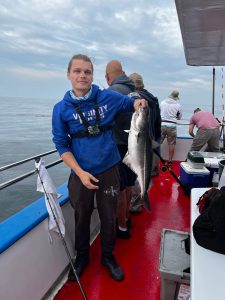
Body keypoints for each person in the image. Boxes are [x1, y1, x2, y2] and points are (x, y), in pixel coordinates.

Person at [52, 54, 148, 282]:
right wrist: (80, 172)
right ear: (68, 75)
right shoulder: (61, 109)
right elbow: (61, 144)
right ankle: (82, 256)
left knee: (108, 215)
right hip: (81, 173)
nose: (82, 75)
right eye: (77, 71)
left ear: (93, 75)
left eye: (87, 71)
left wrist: (138, 103)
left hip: (109, 169)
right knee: (81, 216)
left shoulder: (107, 97)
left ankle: (107, 256)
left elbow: (129, 103)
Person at [105, 60, 138, 239]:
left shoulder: (111, 93)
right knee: (128, 186)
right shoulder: (134, 91)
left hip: (117, 148)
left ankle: (122, 228)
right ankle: (127, 218)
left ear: (107, 77)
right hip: (133, 148)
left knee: (119, 189)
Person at [129, 72, 161, 213]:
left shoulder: (139, 101)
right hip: (152, 140)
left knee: (138, 173)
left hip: (143, 142)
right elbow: (158, 121)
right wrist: (157, 139)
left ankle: (136, 204)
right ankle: (142, 196)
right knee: (146, 171)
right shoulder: (152, 99)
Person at [160, 90, 182, 165]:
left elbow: (159, 113)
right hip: (172, 126)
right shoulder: (178, 105)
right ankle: (170, 161)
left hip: (162, 124)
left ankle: (155, 159)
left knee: (158, 142)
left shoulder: (162, 103)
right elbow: (179, 117)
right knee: (171, 144)